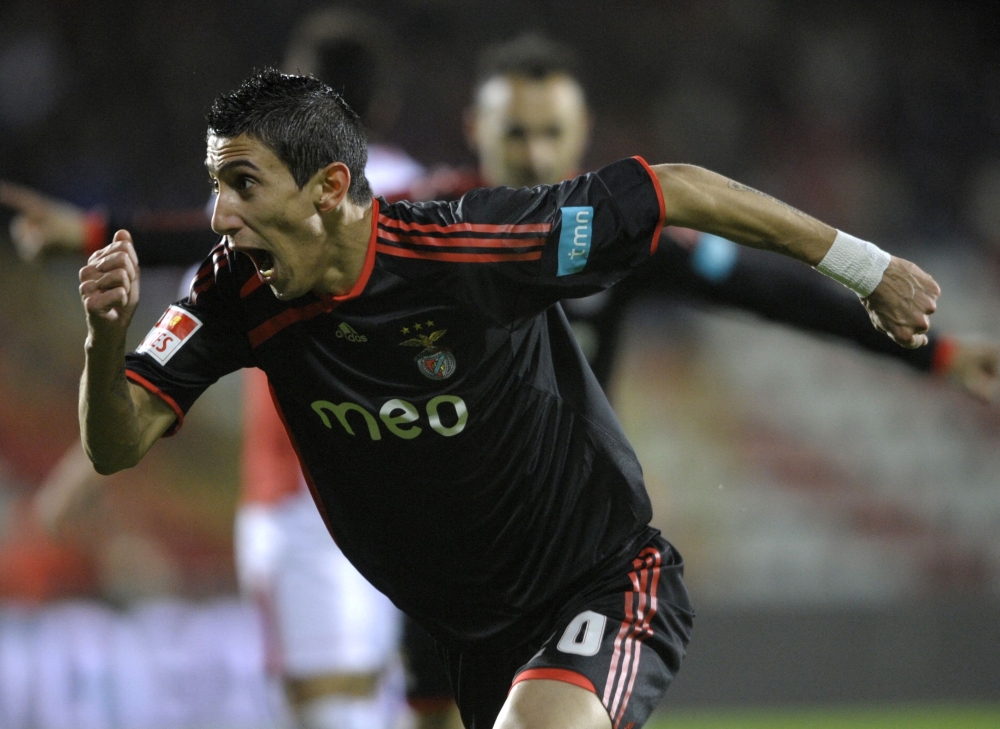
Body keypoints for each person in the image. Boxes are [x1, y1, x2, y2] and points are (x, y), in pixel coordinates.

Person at [77, 68, 939, 729]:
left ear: (330, 188)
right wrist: (106, 336)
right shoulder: (235, 292)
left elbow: (675, 186)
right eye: (216, 183)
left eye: (243, 183)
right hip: (467, 631)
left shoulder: (470, 246)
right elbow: (116, 445)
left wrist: (870, 269)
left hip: (599, 581)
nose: (220, 213)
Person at [5, 10, 419, 729]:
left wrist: (94, 233)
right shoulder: (425, 195)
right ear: (384, 104)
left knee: (327, 706)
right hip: (407, 489)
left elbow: (189, 331)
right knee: (392, 698)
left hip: (296, 492)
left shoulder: (253, 196)